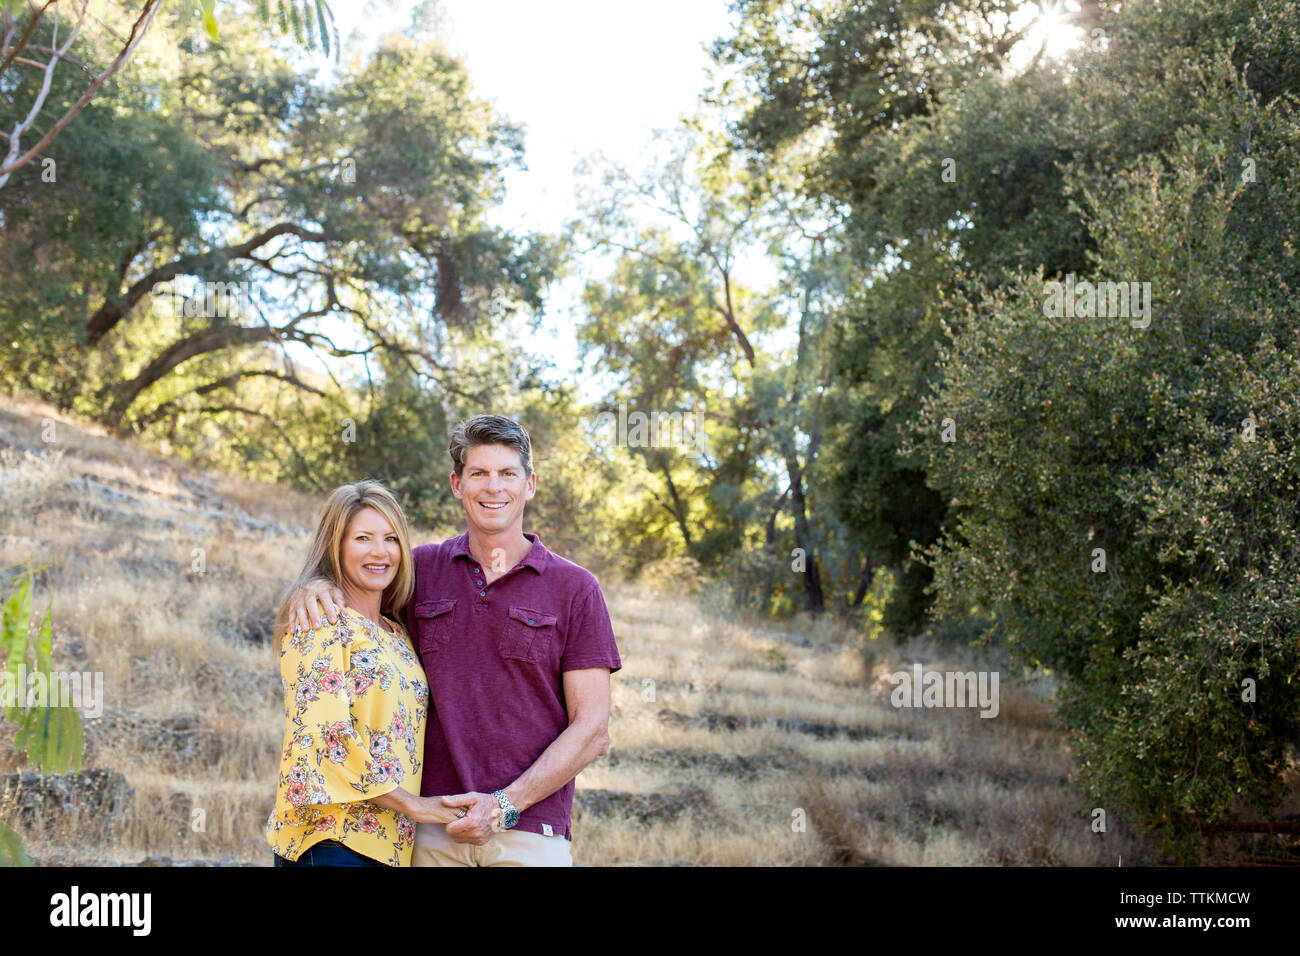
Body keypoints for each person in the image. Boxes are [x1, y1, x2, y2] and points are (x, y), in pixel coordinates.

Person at [289, 415, 621, 866]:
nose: (493, 487)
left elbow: (592, 729)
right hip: (431, 828)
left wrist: (503, 805)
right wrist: (317, 585)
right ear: (456, 484)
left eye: (508, 473)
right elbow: (356, 602)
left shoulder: (575, 588)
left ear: (530, 484)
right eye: (478, 473)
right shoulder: (419, 571)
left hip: (530, 831)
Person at [266, 479, 485, 867]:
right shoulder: (320, 619)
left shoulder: (396, 632)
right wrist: (414, 806)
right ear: (336, 545)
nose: (380, 552)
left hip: (389, 846)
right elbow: (326, 735)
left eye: (391, 539)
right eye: (363, 538)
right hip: (331, 839)